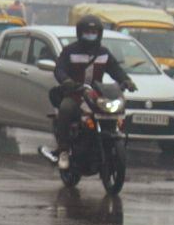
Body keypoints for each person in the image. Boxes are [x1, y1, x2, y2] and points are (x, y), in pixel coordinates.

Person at [49, 15, 136, 170]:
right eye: (87, 31)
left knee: (116, 112)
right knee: (66, 109)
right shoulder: (70, 51)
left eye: (94, 31)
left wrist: (126, 81)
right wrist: (67, 81)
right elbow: (59, 69)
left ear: (99, 33)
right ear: (80, 32)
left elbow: (115, 69)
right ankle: (63, 150)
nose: (91, 34)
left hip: (96, 96)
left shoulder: (103, 53)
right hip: (76, 94)